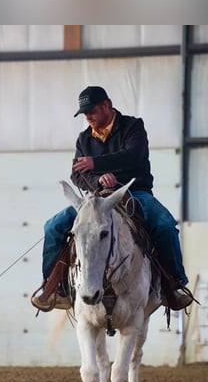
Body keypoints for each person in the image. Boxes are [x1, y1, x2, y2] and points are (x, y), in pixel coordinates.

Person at [31, 85, 194, 312]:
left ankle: (175, 284)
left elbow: (133, 155)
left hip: (135, 193)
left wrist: (96, 163)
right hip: (97, 199)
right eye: (84, 113)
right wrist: (98, 180)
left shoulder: (133, 126)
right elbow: (77, 175)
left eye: (92, 111)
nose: (88, 117)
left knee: (164, 225)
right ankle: (54, 288)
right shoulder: (83, 139)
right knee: (53, 226)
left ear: (107, 105)